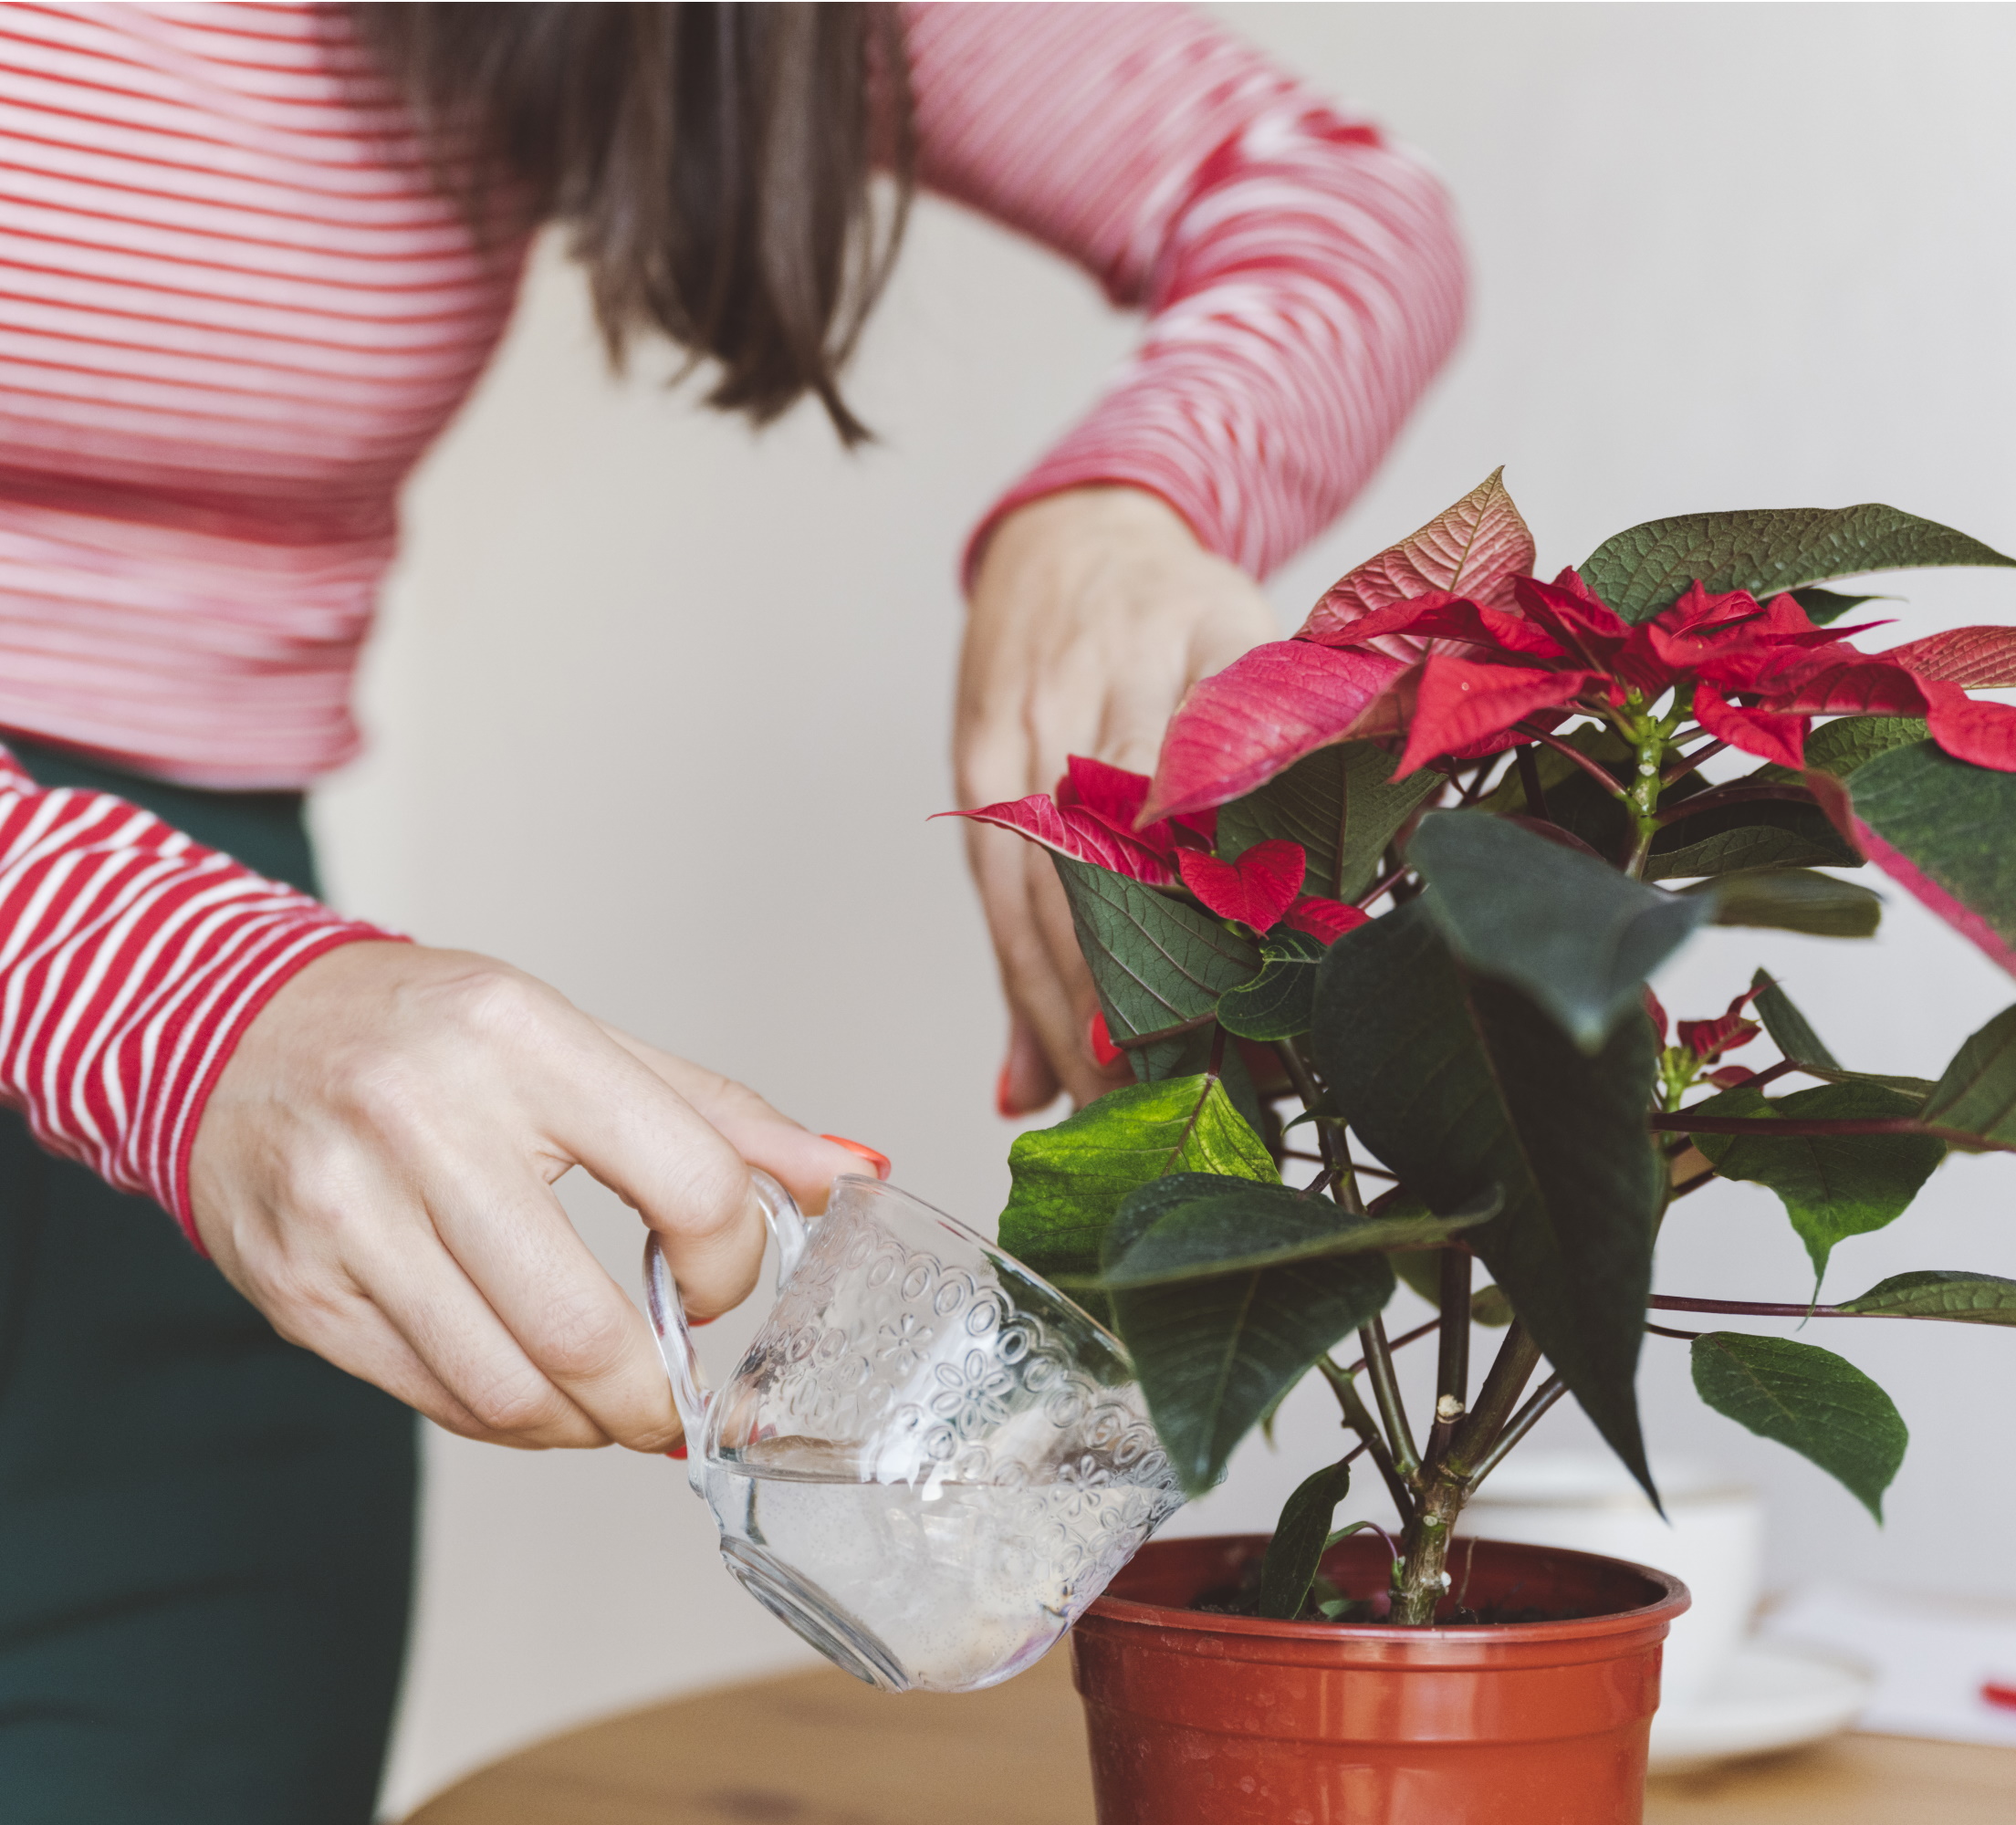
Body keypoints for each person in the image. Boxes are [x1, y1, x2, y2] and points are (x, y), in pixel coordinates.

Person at [0, 3, 1465, 1820]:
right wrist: (162, 990)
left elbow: (1335, 203)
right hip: (200, 1019)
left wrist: (1125, 505)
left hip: (198, 1198)